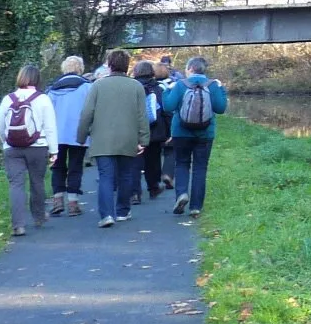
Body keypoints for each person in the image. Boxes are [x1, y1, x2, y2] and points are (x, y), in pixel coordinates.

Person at [77, 49, 152, 227]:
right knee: (125, 175)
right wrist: (144, 139)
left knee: (105, 176)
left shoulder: (98, 85)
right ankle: (123, 211)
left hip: (102, 138)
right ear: (127, 66)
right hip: (128, 138)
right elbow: (142, 115)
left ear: (109, 65)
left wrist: (81, 136)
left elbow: (87, 113)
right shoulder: (136, 87)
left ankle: (106, 215)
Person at [0, 63, 56, 236]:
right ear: (37, 79)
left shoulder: (8, 99)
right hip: (38, 147)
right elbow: (50, 127)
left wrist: (5, 141)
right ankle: (39, 217)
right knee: (37, 181)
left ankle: (18, 225)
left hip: (12, 148)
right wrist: (54, 150)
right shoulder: (43, 99)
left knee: (16, 185)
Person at [161, 56, 227, 217]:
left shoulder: (180, 85)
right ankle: (196, 207)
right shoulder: (213, 85)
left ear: (190, 69)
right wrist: (223, 90)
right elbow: (220, 108)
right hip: (205, 134)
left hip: (181, 132)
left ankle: (182, 194)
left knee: (182, 164)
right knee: (200, 168)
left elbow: (168, 106)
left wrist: (167, 91)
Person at [46, 57, 93, 218]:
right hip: (78, 133)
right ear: (80, 68)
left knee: (57, 166)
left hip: (56, 135)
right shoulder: (87, 87)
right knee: (75, 166)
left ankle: (57, 200)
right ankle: (73, 202)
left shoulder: (52, 89)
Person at [134, 60, 172, 200]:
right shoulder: (158, 88)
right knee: (153, 160)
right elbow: (166, 110)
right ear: (152, 72)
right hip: (155, 130)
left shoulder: (131, 87)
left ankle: (135, 192)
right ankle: (153, 187)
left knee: (135, 160)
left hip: (135, 130)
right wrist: (169, 132)